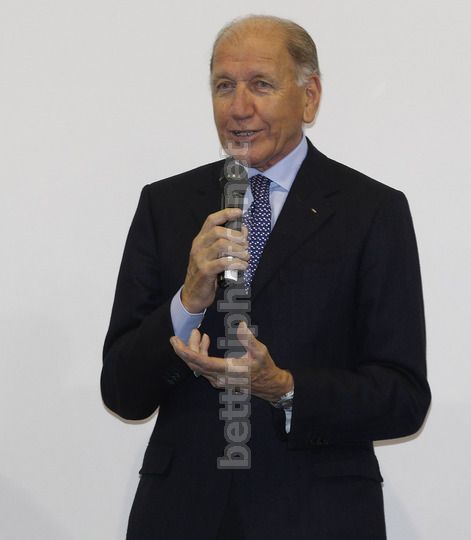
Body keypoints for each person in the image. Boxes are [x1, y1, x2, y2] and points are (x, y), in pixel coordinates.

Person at [101, 14, 431, 540]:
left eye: (260, 85)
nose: (238, 108)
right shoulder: (166, 205)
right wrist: (187, 301)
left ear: (309, 96)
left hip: (318, 516)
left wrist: (285, 388)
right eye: (223, 86)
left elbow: (404, 397)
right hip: (182, 514)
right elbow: (121, 391)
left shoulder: (372, 212)